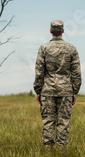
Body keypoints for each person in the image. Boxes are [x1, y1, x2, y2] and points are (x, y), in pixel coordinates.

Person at [33, 20, 82, 148]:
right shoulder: (71, 48)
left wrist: (38, 90)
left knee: (48, 121)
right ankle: (61, 150)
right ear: (63, 31)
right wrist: (74, 91)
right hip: (66, 90)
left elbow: (39, 72)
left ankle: (48, 150)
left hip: (47, 90)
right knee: (63, 121)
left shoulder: (43, 48)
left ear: (50, 31)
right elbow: (76, 73)